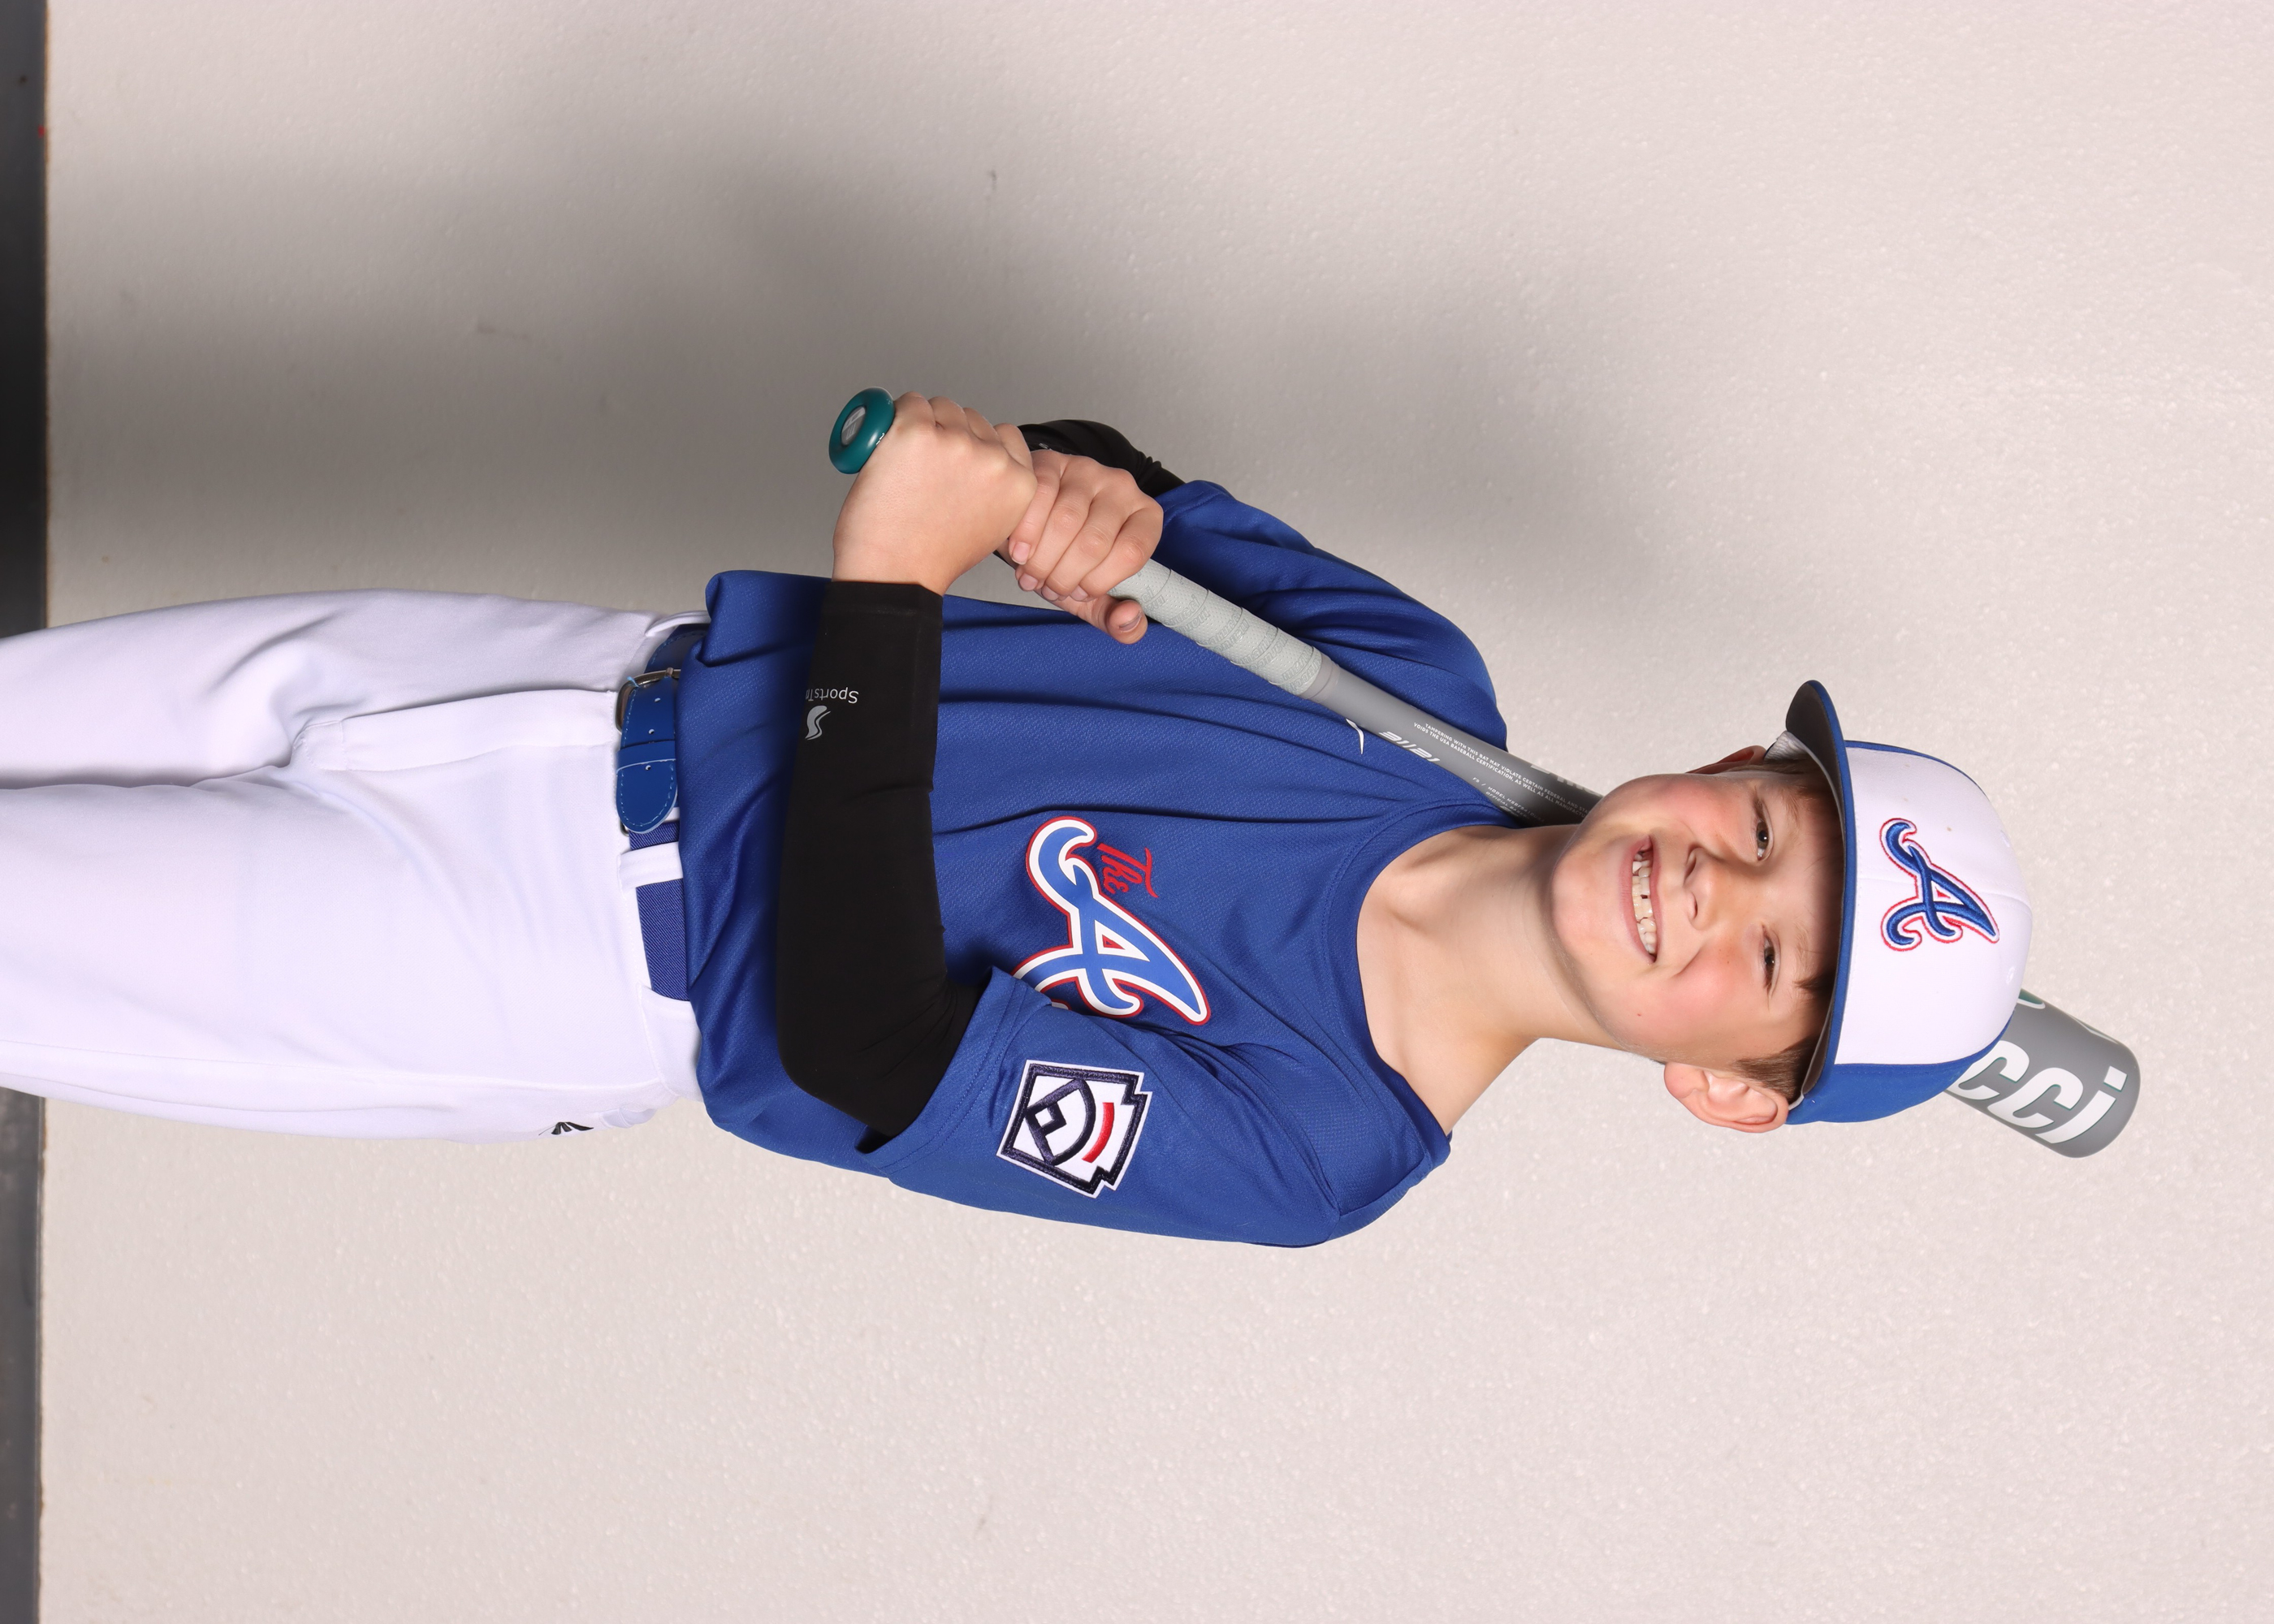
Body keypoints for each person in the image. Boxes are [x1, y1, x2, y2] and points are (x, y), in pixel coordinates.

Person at [0, 394, 2030, 1246]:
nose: (1711, 890)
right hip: (562, 675)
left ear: (1729, 1089)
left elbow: (862, 1045)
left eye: (1773, 963)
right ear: (1728, 766)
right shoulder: (1417, 685)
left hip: (525, 952)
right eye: (1762, 828)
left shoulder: (1320, 1140)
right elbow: (1102, 493)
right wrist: (1067, 479)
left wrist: (893, 584)